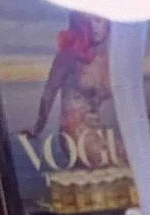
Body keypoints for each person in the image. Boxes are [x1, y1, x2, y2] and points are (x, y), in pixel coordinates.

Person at [26, 13, 116, 168]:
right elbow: (49, 93)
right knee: (111, 162)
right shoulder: (68, 55)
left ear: (108, 23)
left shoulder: (107, 58)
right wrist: (37, 128)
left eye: (98, 20)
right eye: (87, 22)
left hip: (97, 127)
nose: (93, 27)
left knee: (130, 160)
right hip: (74, 131)